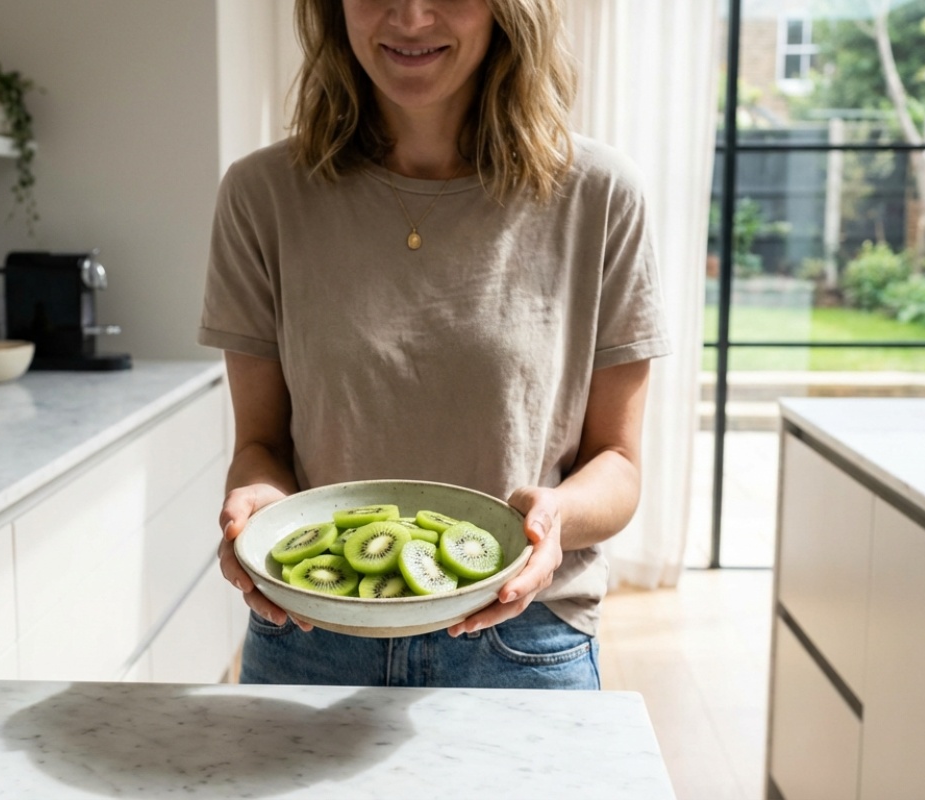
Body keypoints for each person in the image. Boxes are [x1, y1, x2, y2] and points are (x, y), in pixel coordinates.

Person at [197, 0, 670, 690]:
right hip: (310, 638)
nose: (411, 17)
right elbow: (261, 445)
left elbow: (618, 465)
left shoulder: (599, 196)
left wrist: (554, 518)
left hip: (522, 641)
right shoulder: (261, 195)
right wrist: (257, 505)